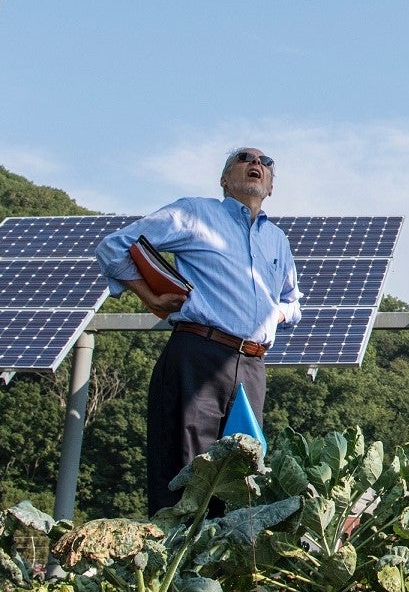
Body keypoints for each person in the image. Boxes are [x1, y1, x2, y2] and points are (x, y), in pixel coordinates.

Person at [95, 147, 300, 515]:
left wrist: (275, 316)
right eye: (244, 158)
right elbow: (113, 247)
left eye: (266, 163)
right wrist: (150, 297)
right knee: (187, 475)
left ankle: (222, 570)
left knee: (242, 480)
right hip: (198, 354)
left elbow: (292, 302)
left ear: (270, 187)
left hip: (252, 368)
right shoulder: (194, 213)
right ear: (224, 180)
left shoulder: (278, 241)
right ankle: (179, 564)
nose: (256, 164)